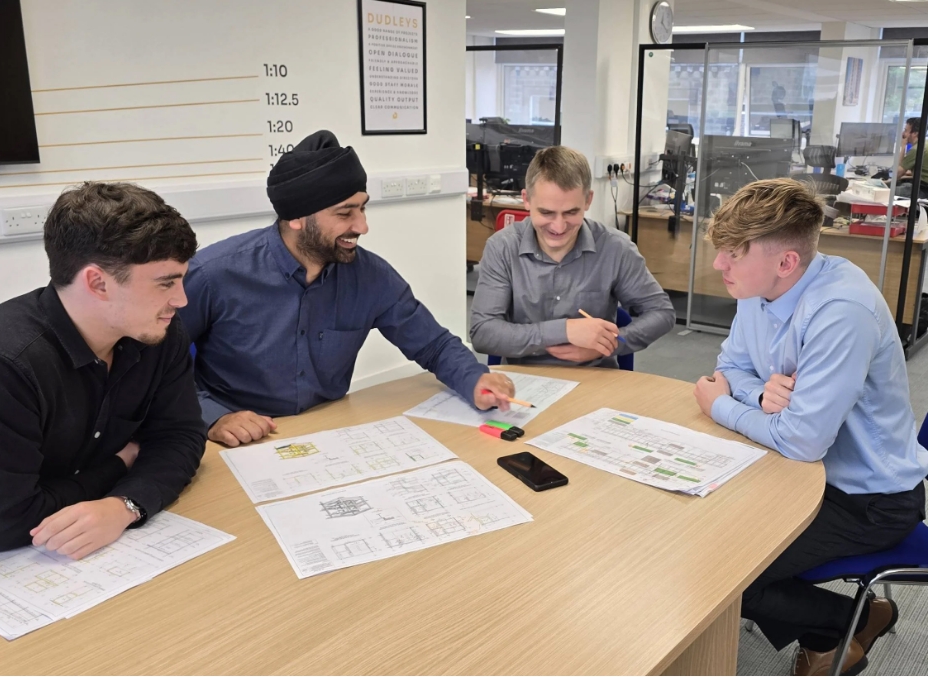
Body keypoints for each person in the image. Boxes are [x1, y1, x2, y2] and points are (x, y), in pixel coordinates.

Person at [692, 178, 928, 675]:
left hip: (867, 499)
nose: (719, 265)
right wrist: (759, 393)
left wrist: (720, 407)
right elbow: (729, 367)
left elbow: (800, 439)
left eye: (733, 253)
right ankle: (852, 620)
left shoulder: (841, 311)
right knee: (697, 527)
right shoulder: (756, 286)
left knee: (726, 577)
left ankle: (848, 621)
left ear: (786, 262)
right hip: (799, 473)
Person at [180, 130, 513, 447]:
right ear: (296, 217)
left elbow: (433, 345)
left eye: (363, 207)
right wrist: (214, 418)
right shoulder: (213, 274)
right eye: (345, 213)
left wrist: (474, 378)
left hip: (327, 435)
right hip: (232, 442)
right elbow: (155, 368)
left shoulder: (370, 276)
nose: (362, 226)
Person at [0, 182, 206, 557]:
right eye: (165, 284)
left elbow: (181, 437)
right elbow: (8, 519)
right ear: (97, 282)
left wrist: (125, 505)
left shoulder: (158, 331)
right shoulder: (10, 365)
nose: (181, 299)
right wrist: (118, 465)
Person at [469, 145, 675, 367]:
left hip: (595, 381)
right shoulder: (502, 248)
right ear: (526, 200)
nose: (558, 226)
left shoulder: (615, 248)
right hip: (524, 383)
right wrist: (564, 330)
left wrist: (609, 345)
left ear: (588, 200)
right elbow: (483, 333)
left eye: (571, 212)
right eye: (546, 212)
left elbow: (661, 312)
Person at [894, 117, 928, 199]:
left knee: (888, 191)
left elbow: (897, 174)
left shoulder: (917, 149)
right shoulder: (925, 144)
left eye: (906, 131)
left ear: (915, 133)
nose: (903, 134)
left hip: (923, 190)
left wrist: (903, 146)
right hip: (923, 187)